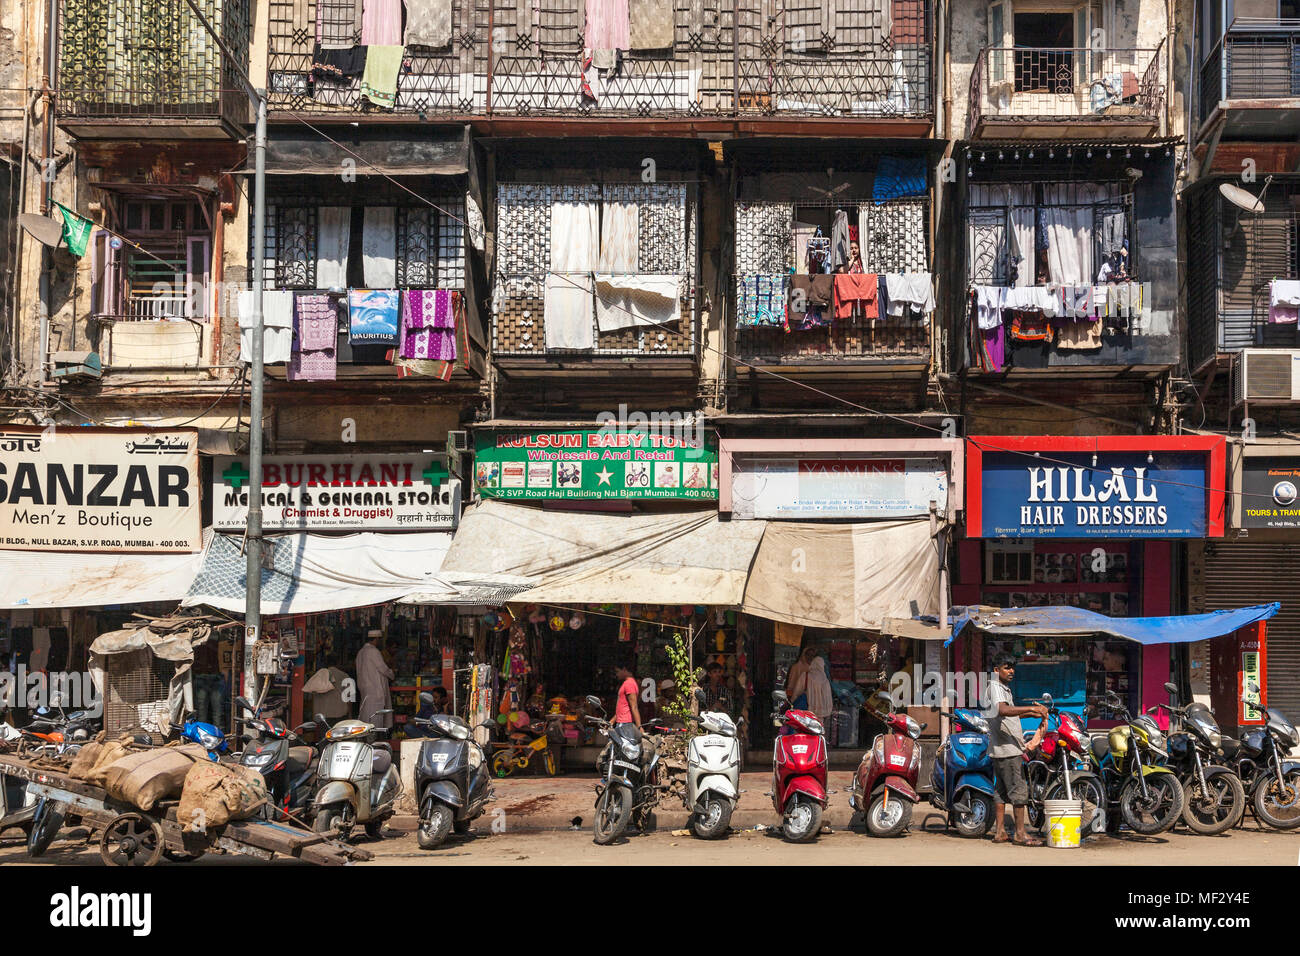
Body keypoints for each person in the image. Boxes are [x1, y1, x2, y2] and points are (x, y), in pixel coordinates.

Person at [983, 654, 1049, 846]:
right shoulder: (995, 687)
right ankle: (1020, 834)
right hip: (1008, 749)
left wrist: (1032, 712)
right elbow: (1002, 710)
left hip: (1001, 748)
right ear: (996, 670)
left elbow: (1008, 715)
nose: (1011, 671)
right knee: (1019, 791)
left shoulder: (1003, 688)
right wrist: (1030, 709)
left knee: (1001, 792)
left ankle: (1000, 832)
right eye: (1007, 667)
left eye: (1012, 667)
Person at [356, 629, 394, 729]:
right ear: (377, 639)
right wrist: (392, 674)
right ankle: (372, 737)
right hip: (375, 689)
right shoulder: (373, 651)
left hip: (365, 689)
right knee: (375, 715)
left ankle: (366, 734)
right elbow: (383, 668)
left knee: (366, 712)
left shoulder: (361, 652)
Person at [786, 643, 833, 723]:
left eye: (812, 656)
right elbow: (828, 698)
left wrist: (794, 702)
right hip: (819, 715)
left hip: (805, 711)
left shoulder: (807, 674)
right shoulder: (825, 679)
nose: (810, 657)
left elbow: (797, 692)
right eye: (808, 655)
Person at [613, 663, 641, 732]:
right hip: (622, 723)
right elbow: (623, 707)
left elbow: (634, 706)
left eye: (617, 671)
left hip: (625, 724)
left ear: (624, 669)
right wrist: (612, 721)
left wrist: (639, 727)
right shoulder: (627, 683)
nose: (616, 675)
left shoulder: (629, 684)